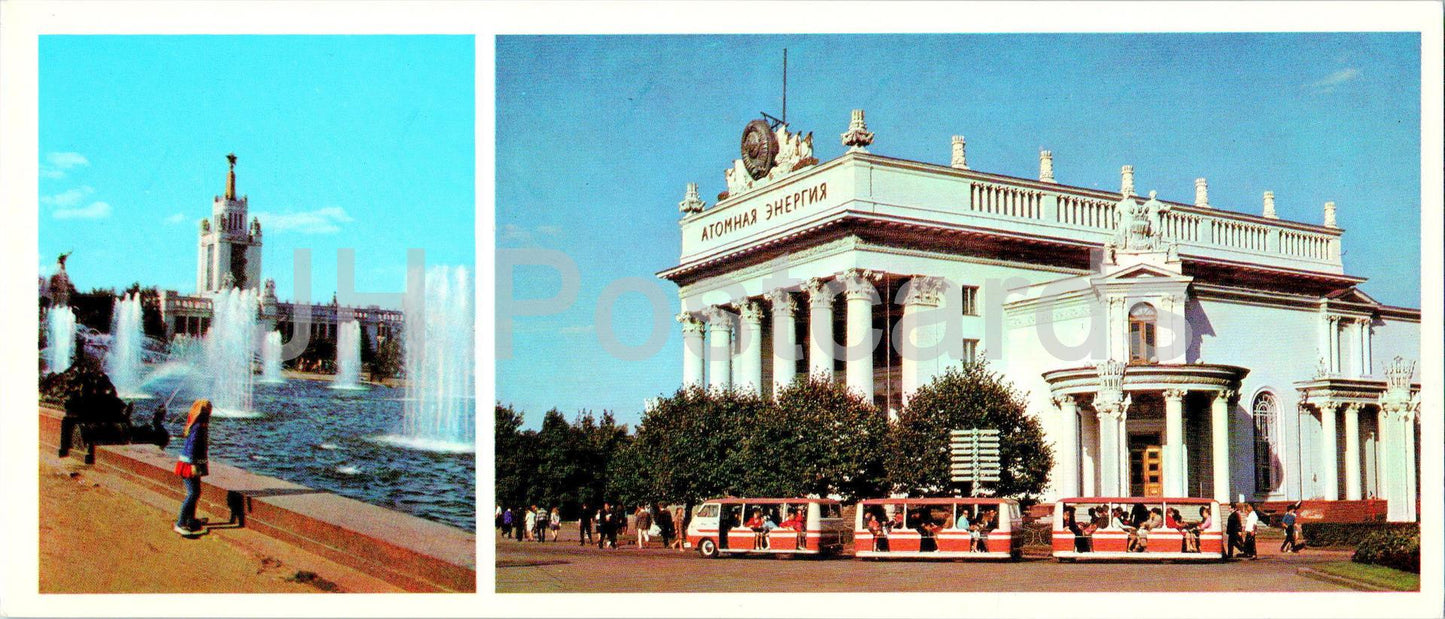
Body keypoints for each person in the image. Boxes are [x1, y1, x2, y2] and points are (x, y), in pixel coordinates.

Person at [172, 399, 212, 537]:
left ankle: (190, 520)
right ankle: (180, 523)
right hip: (189, 464)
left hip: (193, 462)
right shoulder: (198, 425)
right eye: (208, 409)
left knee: (196, 492)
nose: (210, 411)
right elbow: (192, 446)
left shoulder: (200, 424)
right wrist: (194, 465)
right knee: (192, 493)